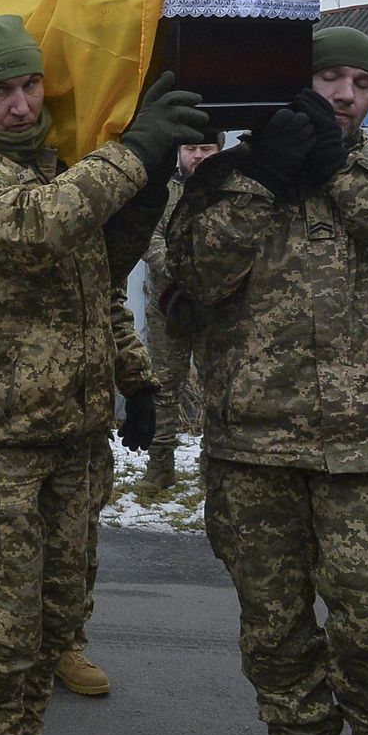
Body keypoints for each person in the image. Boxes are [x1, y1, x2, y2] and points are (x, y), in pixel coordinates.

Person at [0, 14, 207, 735]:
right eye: (1, 89)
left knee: (57, 619)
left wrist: (150, 181)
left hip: (71, 431)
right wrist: (133, 151)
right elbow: (38, 226)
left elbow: (95, 262)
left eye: (32, 84)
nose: (23, 104)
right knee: (5, 636)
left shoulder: (43, 160)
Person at [166, 26, 368, 735]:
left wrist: (336, 172)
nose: (345, 95)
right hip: (253, 452)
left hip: (364, 449)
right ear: (300, 82)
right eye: (333, 79)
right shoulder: (225, 178)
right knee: (275, 630)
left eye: (363, 84)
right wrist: (264, 178)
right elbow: (194, 278)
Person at [58, 288, 156, 698]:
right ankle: (6, 651)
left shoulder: (89, 228)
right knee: (7, 549)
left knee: (77, 540)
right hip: (1, 419)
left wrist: (138, 384)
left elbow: (107, 302)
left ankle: (65, 645)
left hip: (81, 416)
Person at [139, 130, 222, 490]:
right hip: (168, 306)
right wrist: (177, 268)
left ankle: (212, 470)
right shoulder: (163, 193)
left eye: (207, 148)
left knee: (220, 388)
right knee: (162, 387)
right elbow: (148, 236)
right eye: (191, 149)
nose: (199, 156)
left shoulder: (232, 193)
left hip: (217, 308)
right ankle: (160, 468)